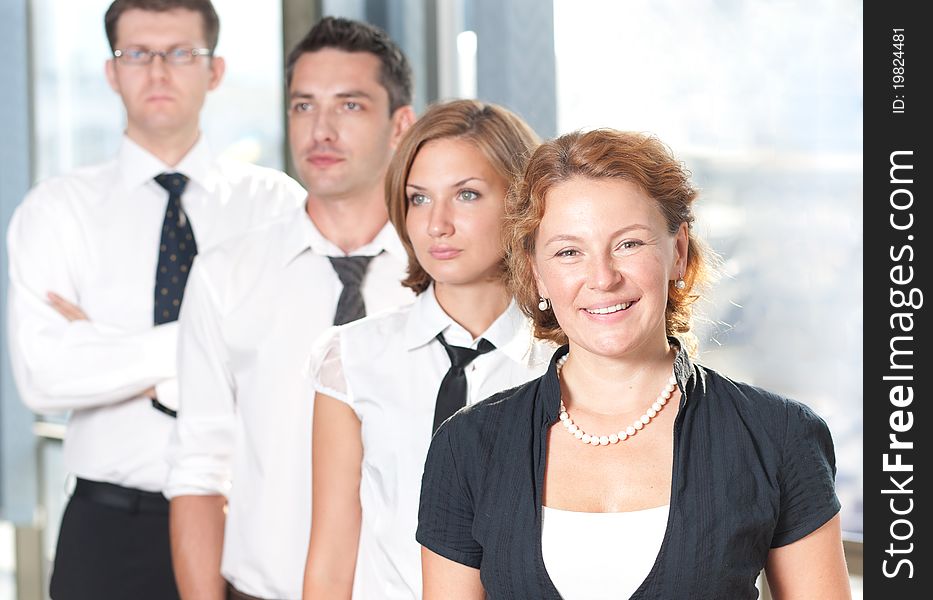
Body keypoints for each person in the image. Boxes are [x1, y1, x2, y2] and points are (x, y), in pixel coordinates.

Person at [416, 129, 852, 599]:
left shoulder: (779, 435)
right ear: (537, 272)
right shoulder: (468, 447)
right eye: (568, 252)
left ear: (678, 252)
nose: (602, 278)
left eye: (629, 244)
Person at [5, 1, 305, 598]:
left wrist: (106, 348)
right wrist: (212, 345)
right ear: (111, 72)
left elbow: (292, 358)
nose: (159, 71)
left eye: (181, 54)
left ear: (214, 71)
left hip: (252, 520)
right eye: (137, 54)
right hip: (109, 525)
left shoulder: (276, 205)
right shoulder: (57, 209)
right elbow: (44, 375)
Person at [164, 17, 416, 600]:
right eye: (304, 106)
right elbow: (199, 467)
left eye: (349, 106)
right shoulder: (228, 273)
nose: (320, 130)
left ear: (400, 124)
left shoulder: (447, 277)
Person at [302, 99, 555, 599]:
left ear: (521, 203)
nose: (437, 224)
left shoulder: (565, 365)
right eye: (419, 199)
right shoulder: (352, 358)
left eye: (466, 194)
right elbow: (331, 564)